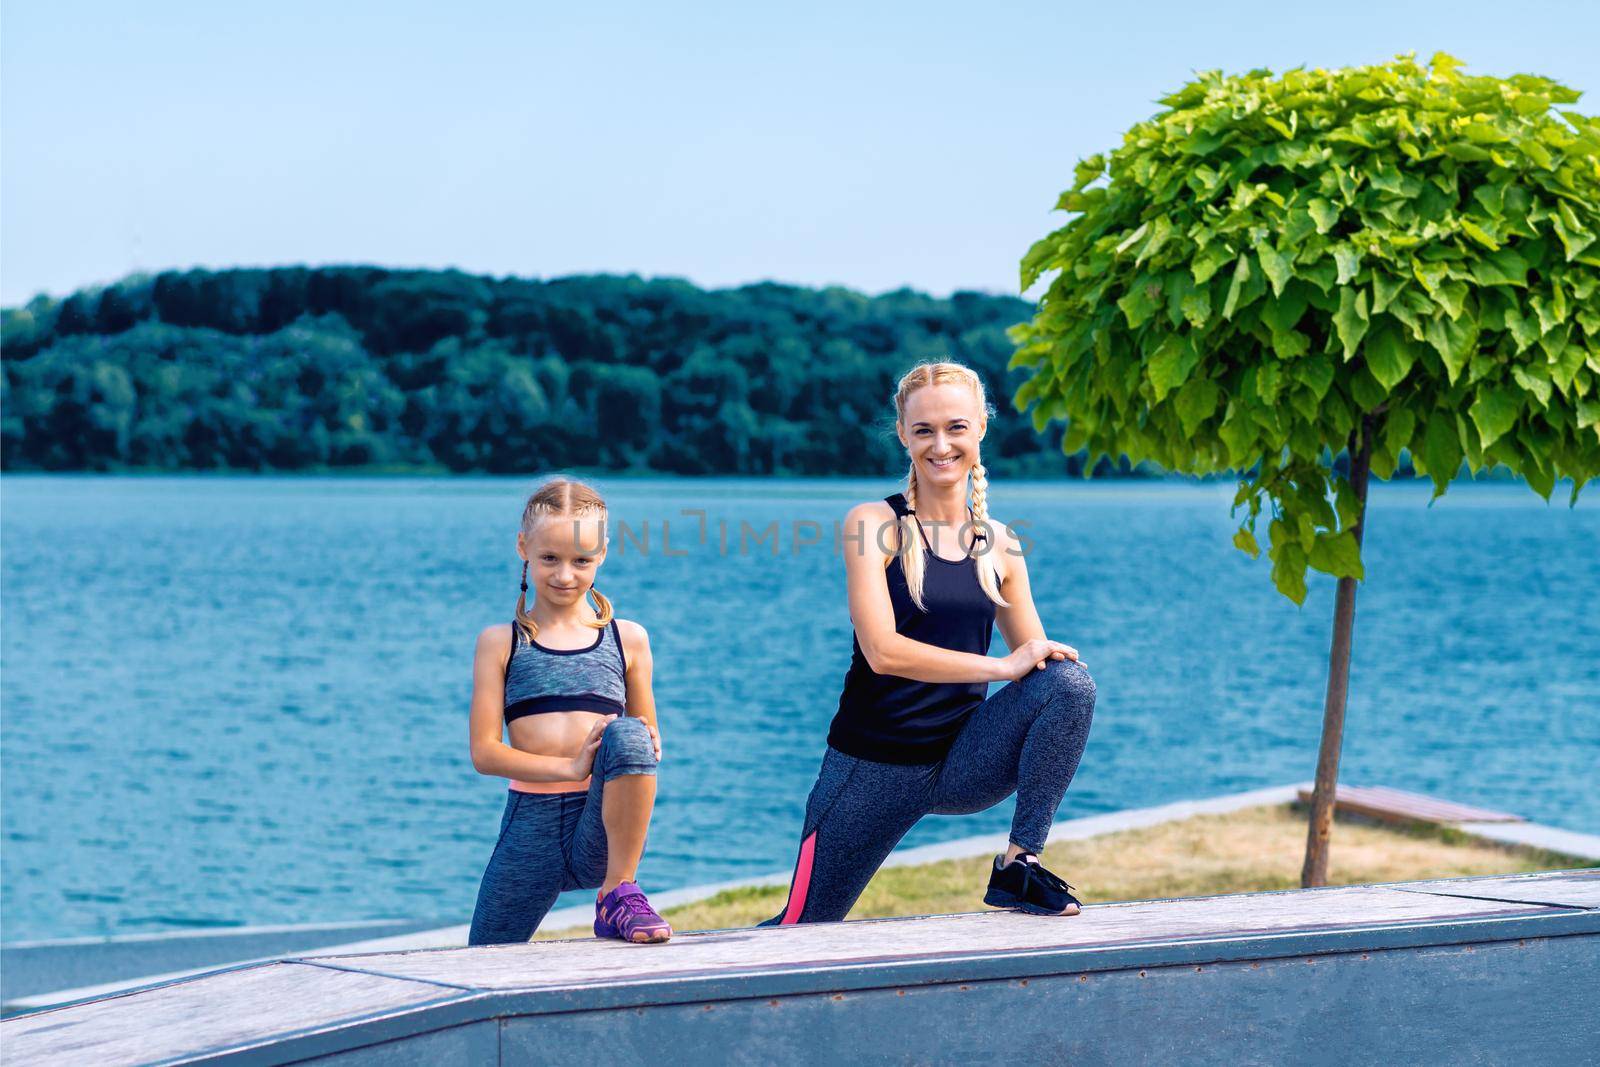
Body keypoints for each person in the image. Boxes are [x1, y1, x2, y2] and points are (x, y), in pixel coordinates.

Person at [764, 361, 1097, 926]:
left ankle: (1019, 865)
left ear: (981, 430)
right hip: (870, 769)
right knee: (800, 932)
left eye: (956, 427)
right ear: (903, 435)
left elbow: (1033, 664)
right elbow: (883, 652)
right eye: (924, 431)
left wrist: (1036, 661)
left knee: (1067, 684)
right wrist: (1001, 666)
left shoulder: (1001, 545)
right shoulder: (874, 524)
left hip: (963, 759)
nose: (941, 445)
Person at [466, 478, 672, 945]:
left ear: (602, 554)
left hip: (602, 824)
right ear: (524, 548)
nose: (564, 575)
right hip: (531, 825)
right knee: (485, 957)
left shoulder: (629, 639)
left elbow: (646, 742)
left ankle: (618, 891)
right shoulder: (501, 643)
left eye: (581, 561)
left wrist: (648, 742)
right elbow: (484, 753)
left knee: (630, 734)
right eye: (549, 559)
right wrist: (570, 765)